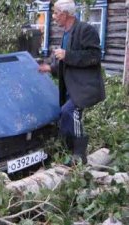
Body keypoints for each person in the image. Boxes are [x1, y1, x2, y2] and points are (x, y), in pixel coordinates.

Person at [39, 0, 105, 165]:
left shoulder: (85, 30)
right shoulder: (66, 33)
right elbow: (65, 62)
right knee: (64, 114)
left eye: (55, 13)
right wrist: (50, 68)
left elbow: (94, 56)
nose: (53, 17)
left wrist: (68, 55)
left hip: (84, 87)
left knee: (70, 113)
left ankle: (79, 156)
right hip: (71, 87)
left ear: (65, 14)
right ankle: (69, 151)